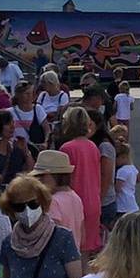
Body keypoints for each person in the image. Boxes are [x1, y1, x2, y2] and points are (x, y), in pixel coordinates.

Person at [57, 108, 106, 254]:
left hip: (74, 202)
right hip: (93, 201)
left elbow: (62, 179)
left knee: (72, 250)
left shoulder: (66, 148)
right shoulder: (93, 146)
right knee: (86, 249)